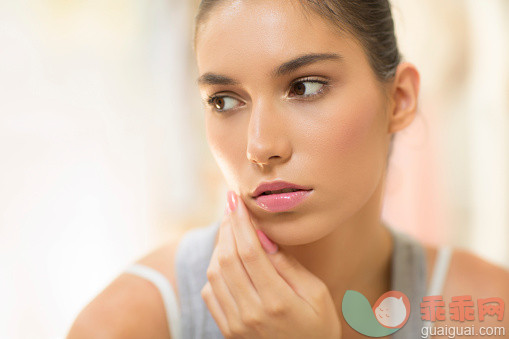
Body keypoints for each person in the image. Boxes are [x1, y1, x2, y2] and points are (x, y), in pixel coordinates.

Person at [67, 0, 509, 338]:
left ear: (399, 100)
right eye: (224, 100)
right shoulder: (131, 322)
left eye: (305, 87)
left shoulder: (484, 309)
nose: (260, 146)